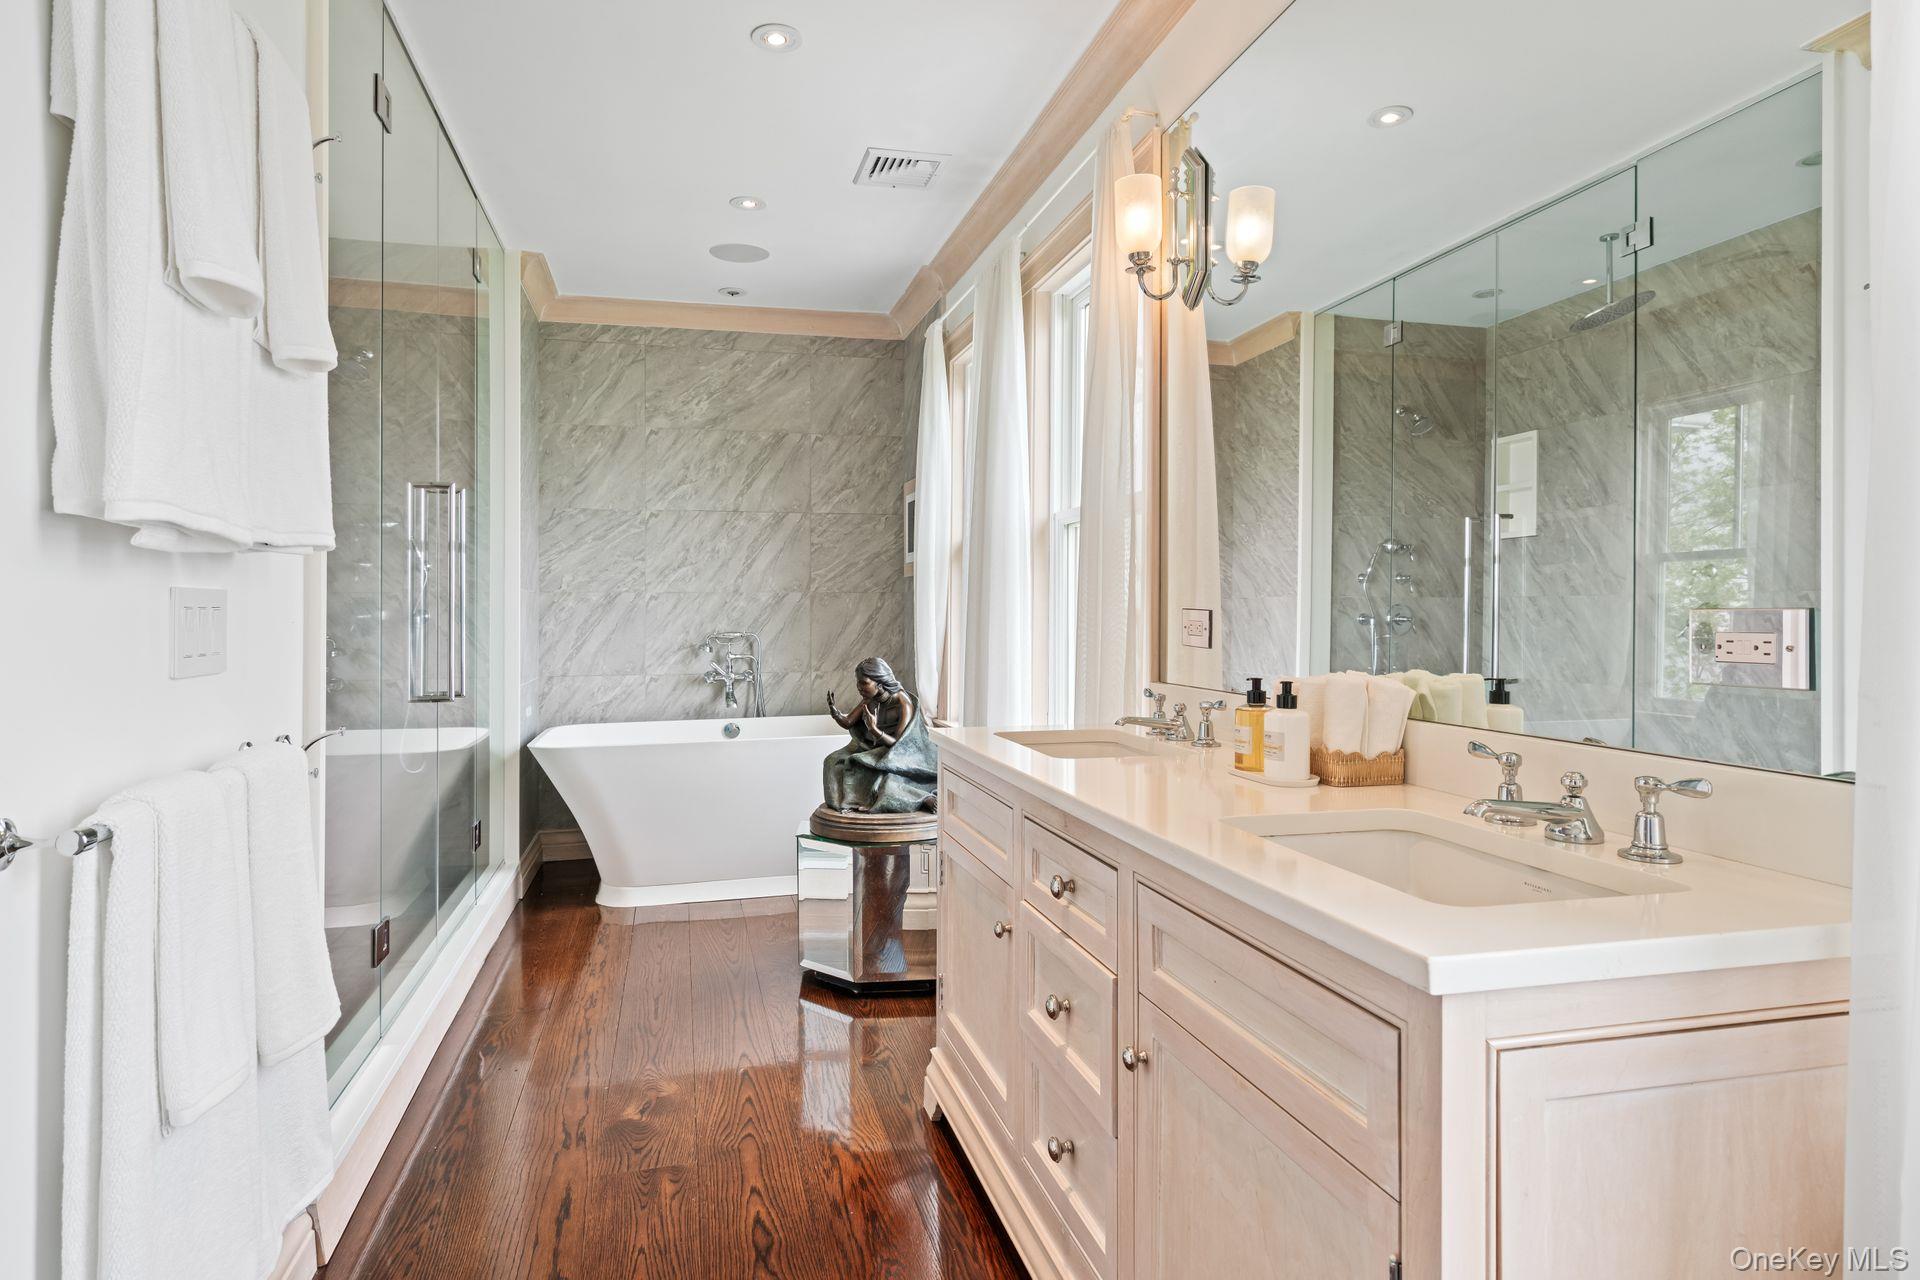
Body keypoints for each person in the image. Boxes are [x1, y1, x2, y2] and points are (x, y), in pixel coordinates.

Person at [822, 656, 938, 814]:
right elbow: (848, 722)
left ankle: (924, 798)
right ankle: (843, 803)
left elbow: (899, 744)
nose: (859, 687)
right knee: (831, 761)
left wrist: (874, 729)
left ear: (879, 681)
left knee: (880, 775)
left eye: (864, 682)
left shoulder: (902, 702)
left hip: (898, 754)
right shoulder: (868, 700)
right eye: (858, 682)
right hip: (872, 747)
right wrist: (835, 713)